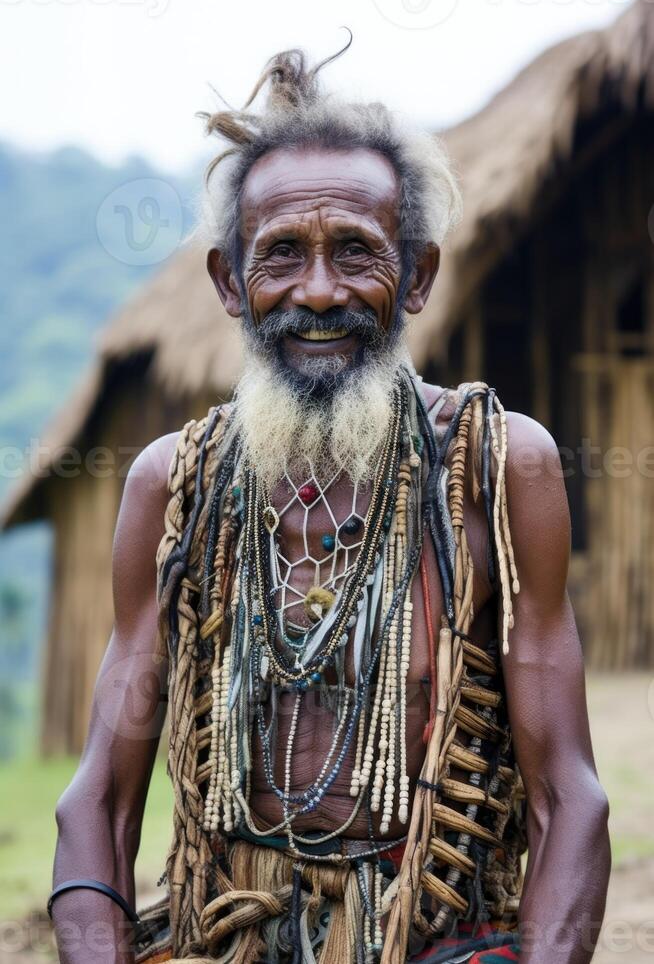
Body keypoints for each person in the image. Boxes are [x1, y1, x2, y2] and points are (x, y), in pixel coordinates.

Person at [50, 47, 610, 964]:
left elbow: (568, 798)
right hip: (229, 938)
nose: (319, 291)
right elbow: (100, 805)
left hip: (432, 940)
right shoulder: (174, 489)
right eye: (281, 255)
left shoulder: (496, 474)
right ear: (230, 284)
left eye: (356, 252)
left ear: (418, 278)